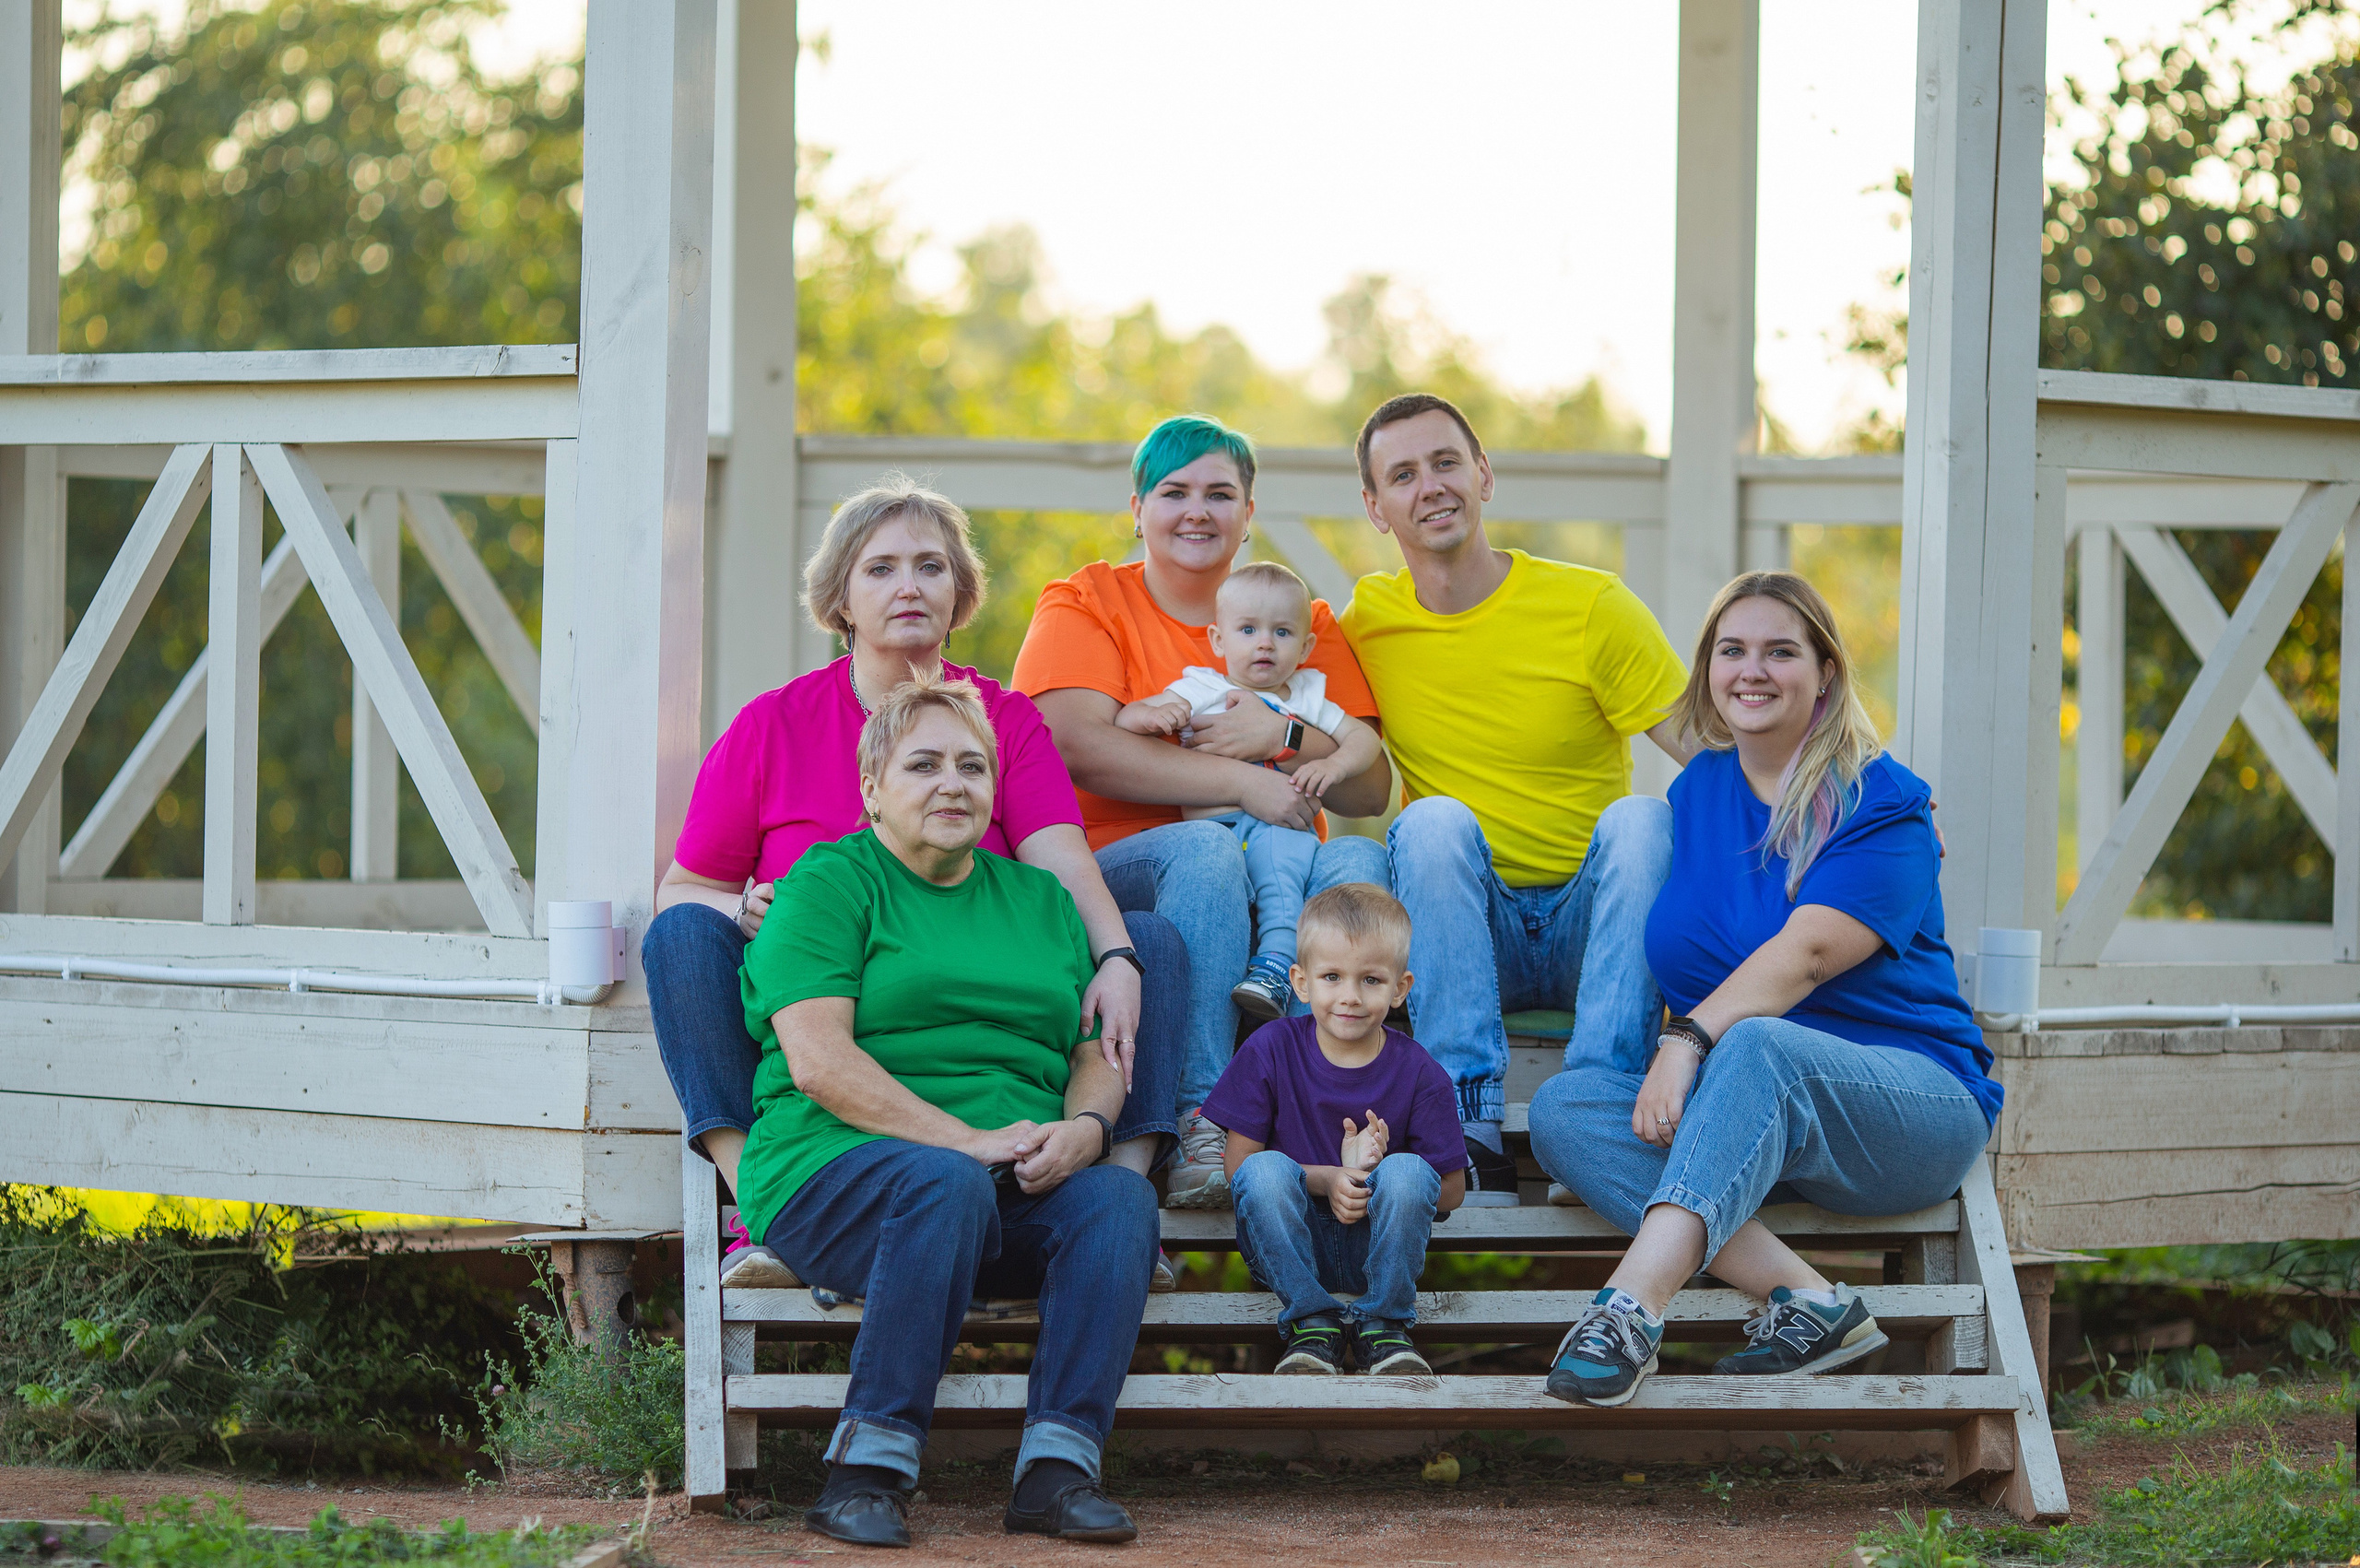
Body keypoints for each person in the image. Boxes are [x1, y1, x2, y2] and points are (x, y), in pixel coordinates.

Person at [643, 477, 1187, 1291]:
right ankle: (757, 1203)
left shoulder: (1003, 719)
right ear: (841, 599)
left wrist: (1116, 955)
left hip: (966, 989)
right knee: (680, 936)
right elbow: (680, 889)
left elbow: (1062, 858)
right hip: (823, 996)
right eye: (882, 568)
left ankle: (1121, 1198)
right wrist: (738, 902)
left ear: (958, 592)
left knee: (1152, 944)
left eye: (931, 567)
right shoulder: (772, 725)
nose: (909, 586)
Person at [1528, 572, 2003, 1409]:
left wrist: (1685, 1041)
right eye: (1732, 650)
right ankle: (1812, 1300)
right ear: (1708, 669)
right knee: (1568, 1107)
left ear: (1825, 671)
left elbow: (1809, 955)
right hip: (1751, 1119)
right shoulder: (1699, 790)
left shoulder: (1883, 799)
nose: (1753, 670)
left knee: (1756, 1043)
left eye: (1781, 651)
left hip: (1907, 1107)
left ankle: (1629, 1311)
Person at [740, 674, 1156, 1548]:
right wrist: (965, 1142)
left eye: (972, 766)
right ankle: (867, 1470)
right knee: (943, 1184)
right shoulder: (828, 882)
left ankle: (1057, 1469)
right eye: (923, 765)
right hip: (836, 1172)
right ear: (871, 789)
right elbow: (820, 1062)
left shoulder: (1041, 902)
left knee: (1119, 1199)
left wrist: (1084, 1131)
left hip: (1009, 1182)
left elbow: (1091, 1056)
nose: (953, 784)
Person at [1015, 415, 1392, 1209]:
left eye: (1221, 493)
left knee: (1359, 863)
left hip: (1276, 871)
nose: (1198, 511)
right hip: (1122, 874)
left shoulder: (1297, 618)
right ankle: (1200, 1116)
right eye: (1174, 491)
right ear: (1137, 506)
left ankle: (1380, 1108)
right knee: (1205, 852)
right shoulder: (1087, 601)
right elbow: (1073, 743)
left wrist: (1283, 731)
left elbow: (1366, 789)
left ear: (1248, 512)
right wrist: (1245, 779)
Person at [1340, 393, 1694, 1206]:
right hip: (1465, 931)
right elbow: (1265, 671)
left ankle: (1594, 1115)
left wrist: (1863, 797)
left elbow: (1710, 751)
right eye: (1402, 473)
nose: (1429, 486)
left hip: (1592, 926)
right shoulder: (1368, 622)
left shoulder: (1590, 606)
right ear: (1375, 505)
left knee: (1646, 816)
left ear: (1483, 475)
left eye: (1445, 462)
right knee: (1427, 820)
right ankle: (1466, 1125)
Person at [1205, 885, 1466, 1377]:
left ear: (1400, 988)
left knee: (1411, 1170)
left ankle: (1385, 1327)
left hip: (1380, 1249)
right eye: (1331, 977)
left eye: (1370, 979)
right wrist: (1326, 1179)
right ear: (1301, 983)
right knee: (1263, 1171)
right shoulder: (1272, 1048)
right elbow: (1238, 1169)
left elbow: (1450, 1192)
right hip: (1288, 1245)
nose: (1350, 996)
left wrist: (1379, 1175)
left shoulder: (1420, 1073)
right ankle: (1311, 1322)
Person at [1116, 560, 1387, 1020]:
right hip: (1215, 830)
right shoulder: (1200, 688)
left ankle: (1277, 964)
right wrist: (1152, 716)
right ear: (1219, 640)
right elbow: (1125, 721)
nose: (1265, 642)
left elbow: (1364, 740)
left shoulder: (1306, 696)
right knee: (1215, 872)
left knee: (1282, 875)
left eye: (1282, 633)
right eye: (1247, 630)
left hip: (1278, 827)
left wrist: (1334, 763)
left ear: (1306, 647)